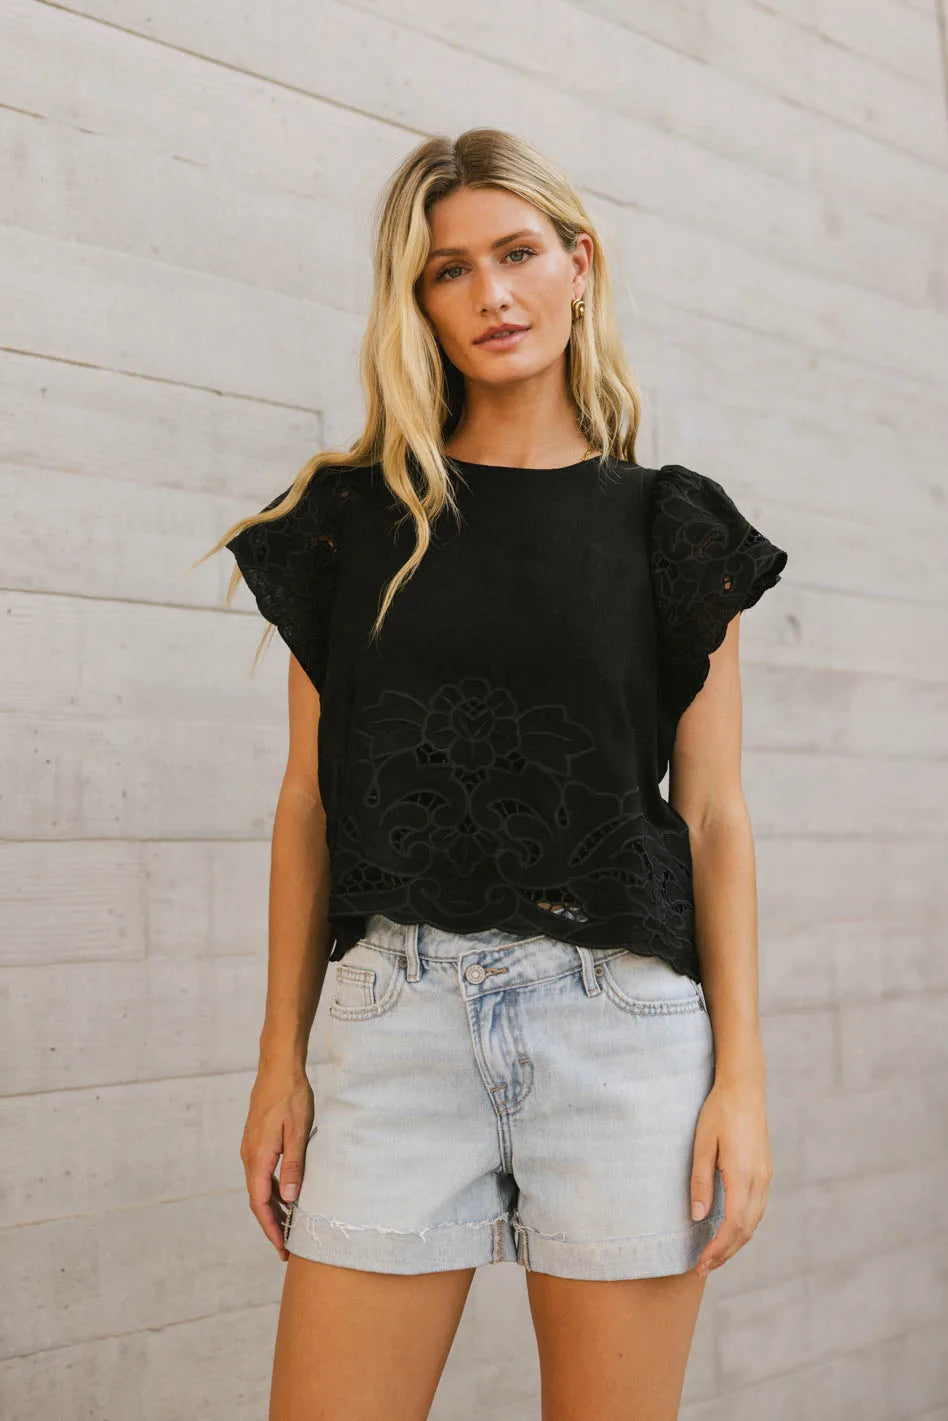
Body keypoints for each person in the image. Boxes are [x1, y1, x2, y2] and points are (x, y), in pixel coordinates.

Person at [207, 128, 788, 1421]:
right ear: (416, 301)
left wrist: (742, 1082)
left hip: (622, 1031)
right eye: (450, 270)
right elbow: (307, 805)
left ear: (580, 263)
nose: (493, 295)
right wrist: (278, 1060)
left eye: (518, 254)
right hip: (394, 1025)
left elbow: (714, 816)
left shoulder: (672, 526)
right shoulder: (352, 521)